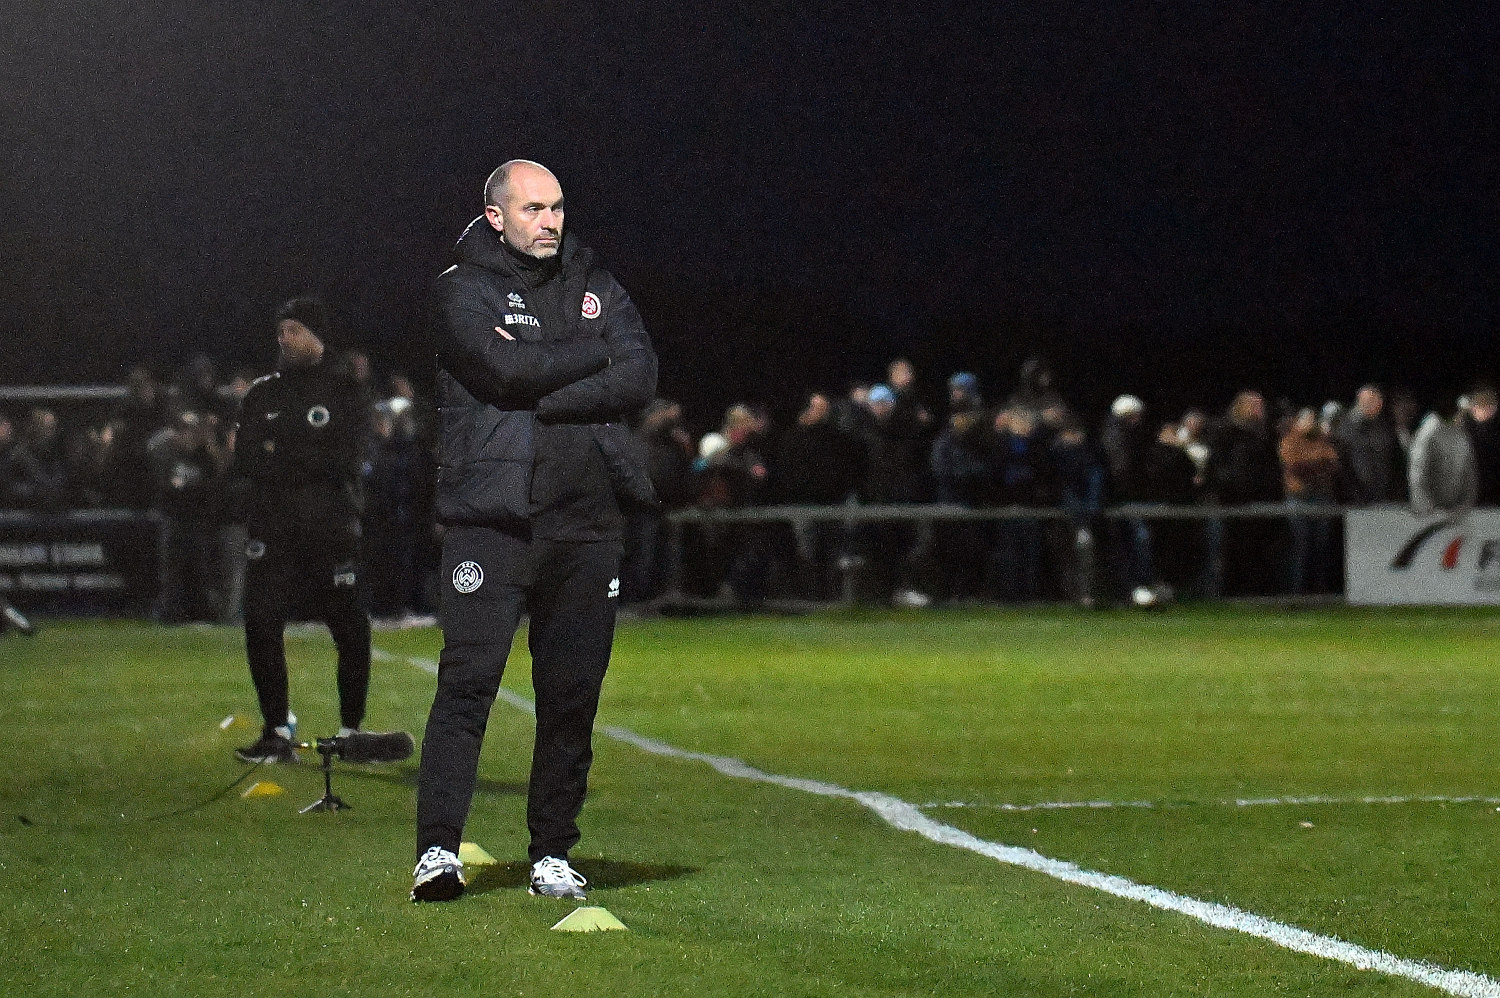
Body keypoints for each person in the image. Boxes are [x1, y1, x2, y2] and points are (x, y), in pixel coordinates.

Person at [413, 160, 657, 904]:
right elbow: (499, 370)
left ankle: (552, 852)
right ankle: (436, 853)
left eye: (556, 208)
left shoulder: (596, 282)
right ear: (496, 216)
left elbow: (640, 374)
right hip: (494, 523)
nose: (549, 221)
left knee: (572, 695)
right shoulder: (460, 290)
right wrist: (584, 363)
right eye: (532, 209)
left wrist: (536, 385)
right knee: (467, 687)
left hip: (587, 524)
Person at [229, 297, 411, 768]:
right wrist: (299, 456)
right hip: (272, 527)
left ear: (317, 336)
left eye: (294, 329)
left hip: (330, 528)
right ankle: (276, 730)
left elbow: (344, 461)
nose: (284, 338)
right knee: (261, 621)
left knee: (349, 625)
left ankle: (351, 730)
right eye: (282, 330)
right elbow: (244, 461)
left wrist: (281, 454)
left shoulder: (344, 390)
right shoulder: (261, 394)